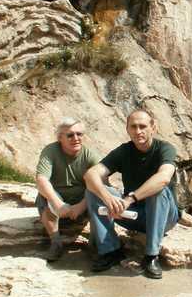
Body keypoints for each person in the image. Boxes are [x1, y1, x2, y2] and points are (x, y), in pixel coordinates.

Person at [84, 109, 180, 279]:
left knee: (159, 191)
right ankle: (111, 251)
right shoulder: (124, 151)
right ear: (127, 129)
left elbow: (164, 178)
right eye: (133, 127)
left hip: (163, 217)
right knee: (92, 191)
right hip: (133, 215)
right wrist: (108, 199)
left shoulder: (165, 149)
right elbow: (91, 174)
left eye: (143, 126)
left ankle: (151, 256)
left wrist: (130, 198)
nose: (138, 131)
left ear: (153, 128)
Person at [35, 118, 100, 262]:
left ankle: (95, 245)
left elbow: (101, 183)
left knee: (101, 198)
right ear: (60, 138)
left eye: (79, 134)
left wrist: (81, 206)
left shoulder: (90, 155)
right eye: (70, 135)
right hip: (57, 200)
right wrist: (58, 203)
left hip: (83, 199)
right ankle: (56, 242)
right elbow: (41, 180)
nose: (76, 139)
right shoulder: (50, 151)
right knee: (43, 196)